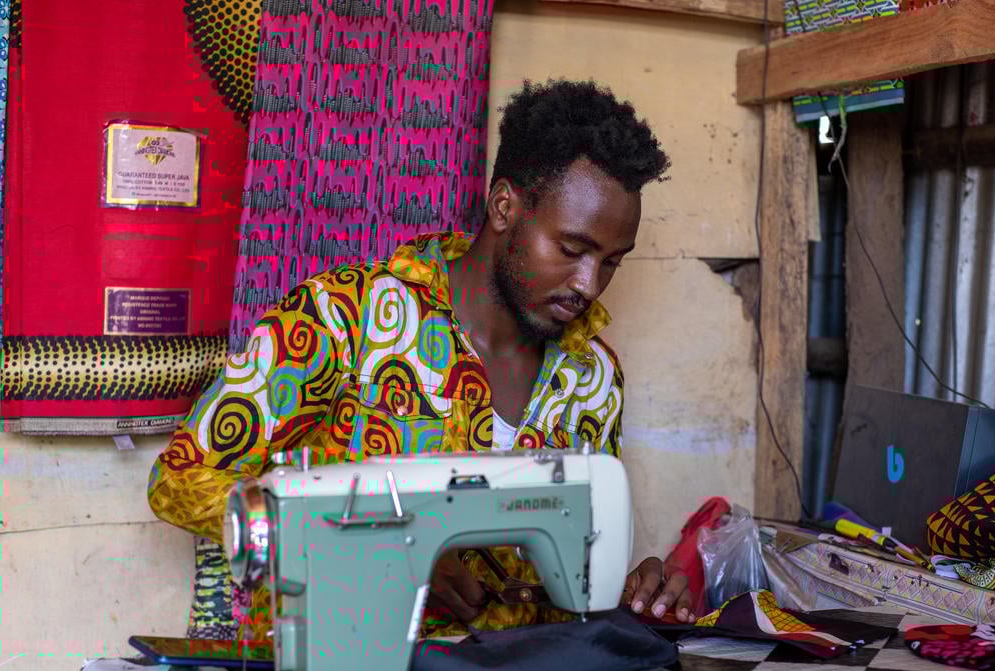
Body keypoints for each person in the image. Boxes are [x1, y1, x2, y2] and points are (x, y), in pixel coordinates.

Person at [147, 78, 695, 641]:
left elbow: (578, 564)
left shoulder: (595, 377)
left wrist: (633, 592)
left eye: (612, 263)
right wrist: (382, 545)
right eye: (573, 250)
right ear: (505, 206)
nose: (588, 284)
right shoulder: (343, 319)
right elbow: (181, 480)